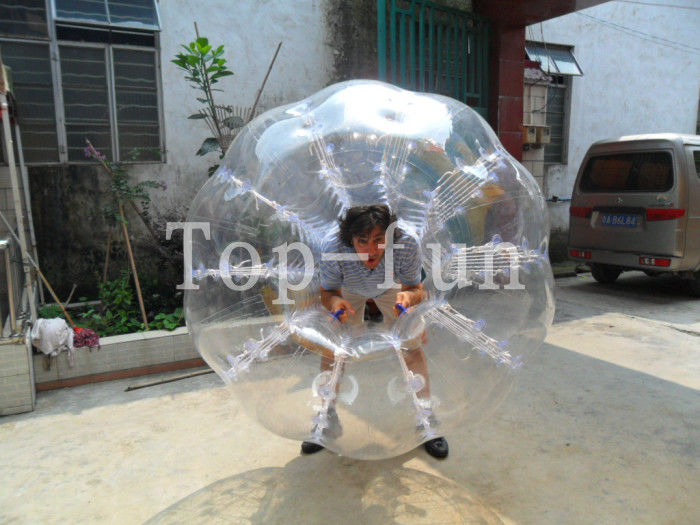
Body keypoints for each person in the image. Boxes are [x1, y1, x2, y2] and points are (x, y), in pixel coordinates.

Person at [300, 204, 449, 459]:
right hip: (349, 290)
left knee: (412, 346)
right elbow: (328, 292)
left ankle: (426, 418)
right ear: (349, 240)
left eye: (379, 240)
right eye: (362, 241)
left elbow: (415, 288)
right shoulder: (333, 246)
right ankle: (326, 416)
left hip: (392, 288)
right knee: (334, 348)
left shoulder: (406, 243)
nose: (371, 250)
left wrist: (408, 298)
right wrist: (335, 303)